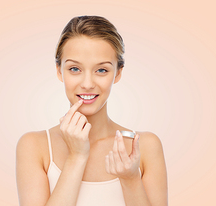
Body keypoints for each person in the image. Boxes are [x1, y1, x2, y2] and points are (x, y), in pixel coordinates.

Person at [16, 15, 168, 206]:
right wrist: (77, 157)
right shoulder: (34, 146)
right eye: (74, 69)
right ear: (59, 70)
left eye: (102, 70)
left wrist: (130, 180)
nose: (87, 84)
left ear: (118, 72)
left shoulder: (144, 146)